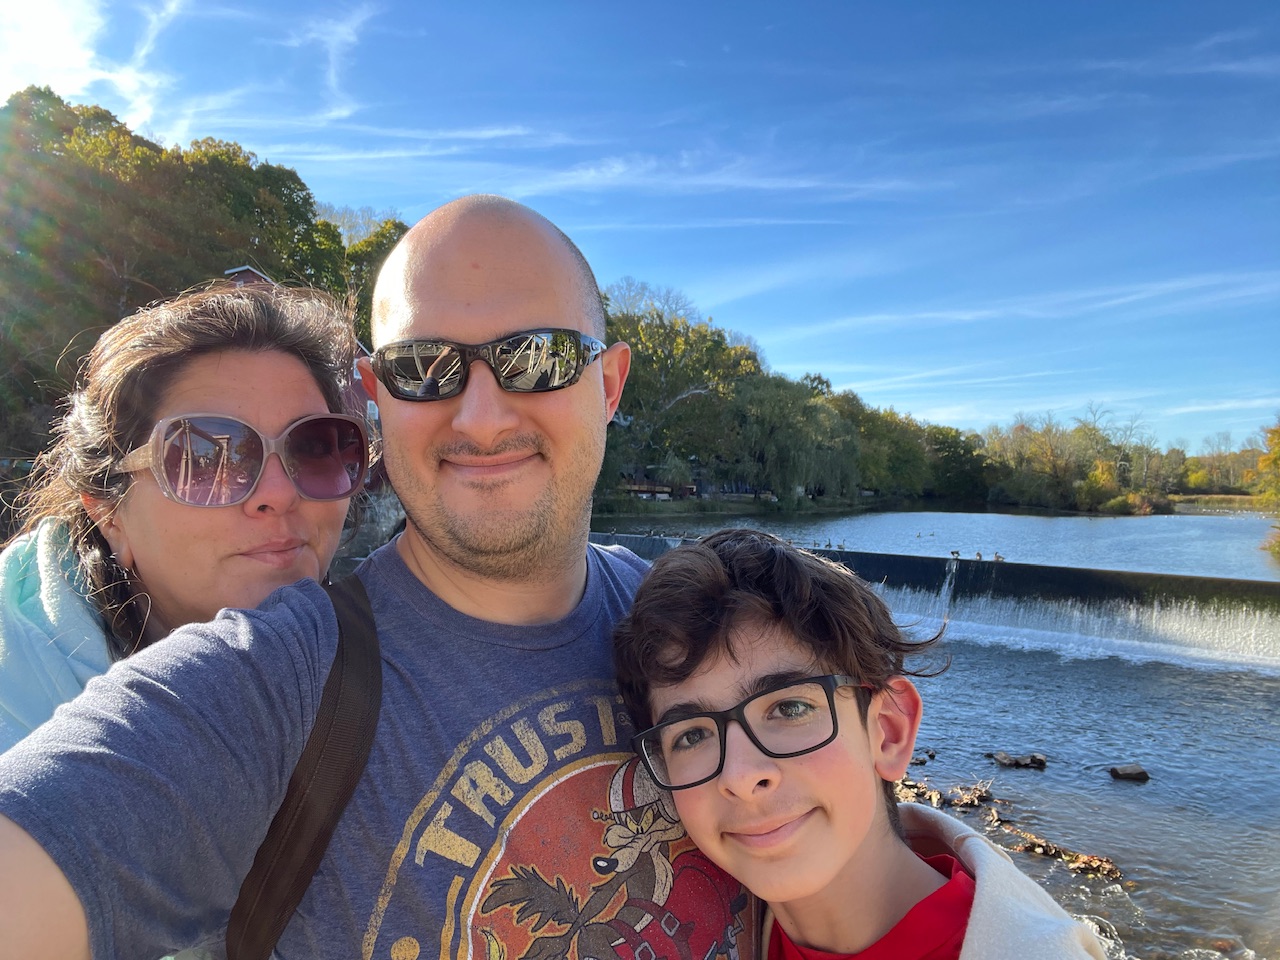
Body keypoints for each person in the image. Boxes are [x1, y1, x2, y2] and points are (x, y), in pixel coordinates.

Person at [0, 196, 755, 960]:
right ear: (379, 394)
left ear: (610, 382)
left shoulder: (708, 622)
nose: (483, 418)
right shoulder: (274, 682)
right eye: (424, 369)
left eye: (540, 357)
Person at [612, 528, 1107, 960]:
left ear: (888, 731)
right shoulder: (719, 931)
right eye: (692, 735)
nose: (740, 777)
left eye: (790, 708)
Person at [0, 284, 369, 751]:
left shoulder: (375, 663)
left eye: (315, 447)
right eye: (206, 458)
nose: (278, 494)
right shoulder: (22, 723)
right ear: (109, 512)